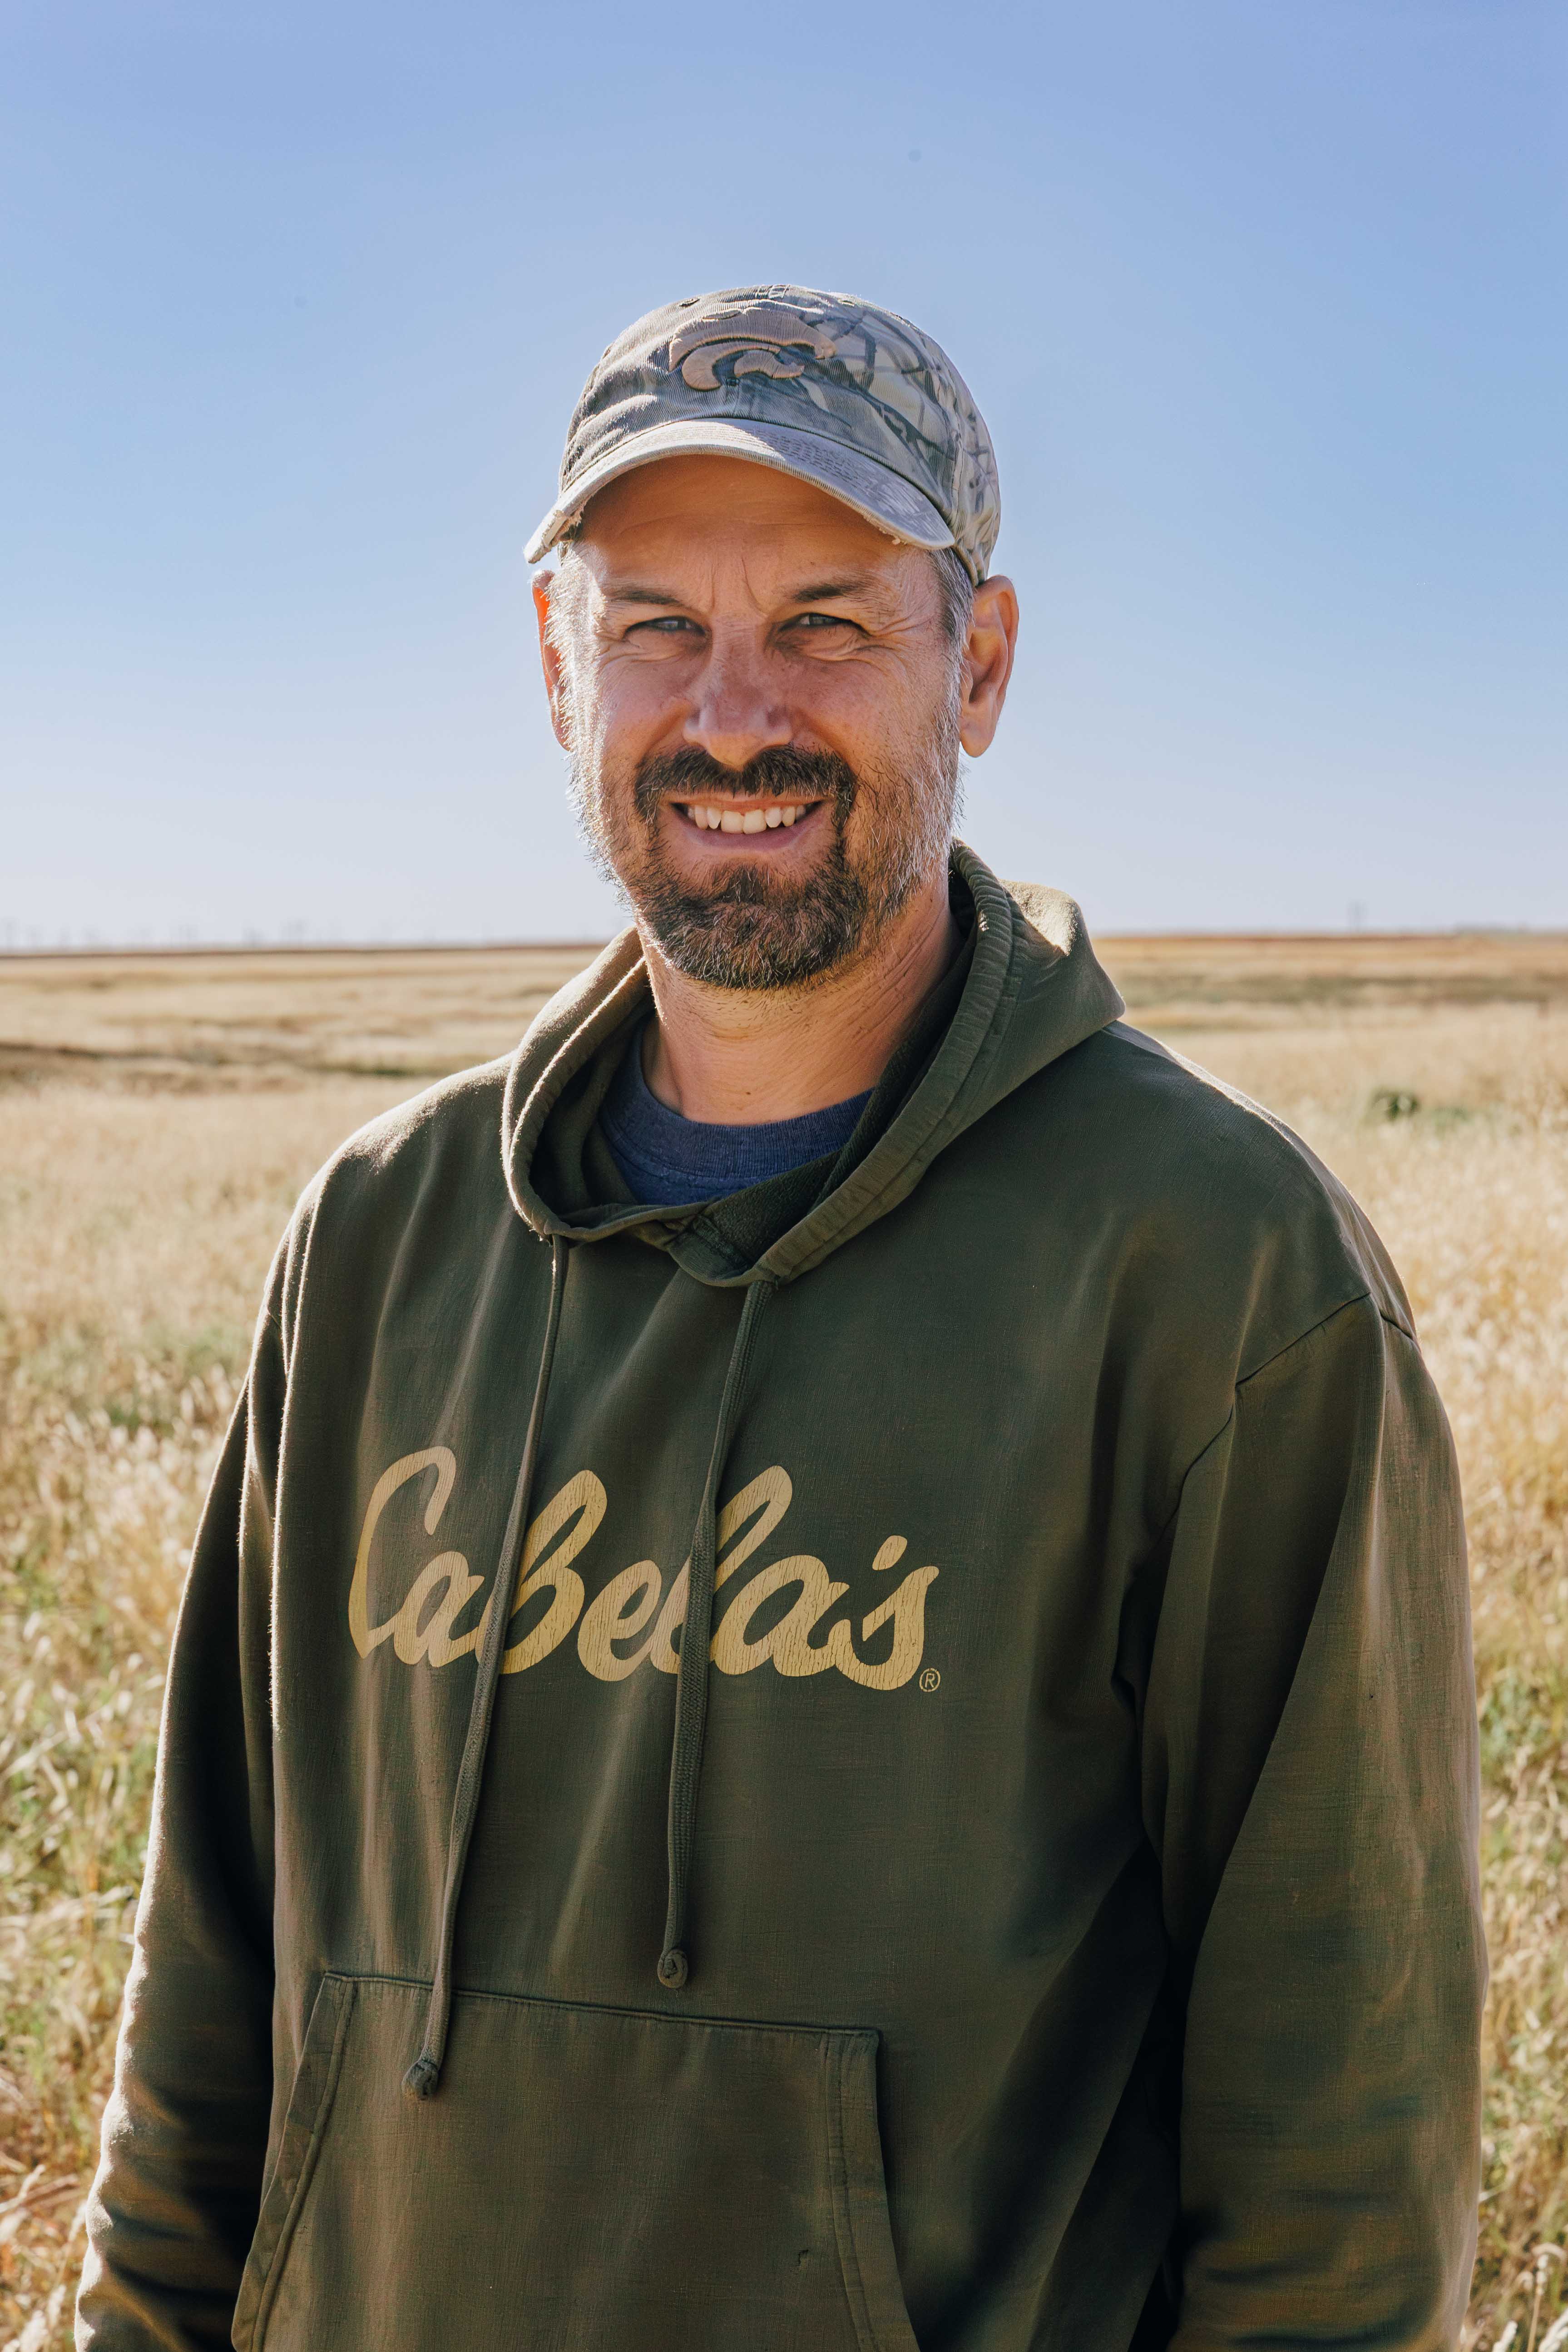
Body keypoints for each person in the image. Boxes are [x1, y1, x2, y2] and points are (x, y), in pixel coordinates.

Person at [78, 285, 1484, 2352]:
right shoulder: (378, 1241)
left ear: (978, 663)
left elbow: (1339, 2174)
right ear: (557, 660)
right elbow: (208, 1987)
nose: (734, 710)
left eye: (828, 619)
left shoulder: (1215, 1274)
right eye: (657, 623)